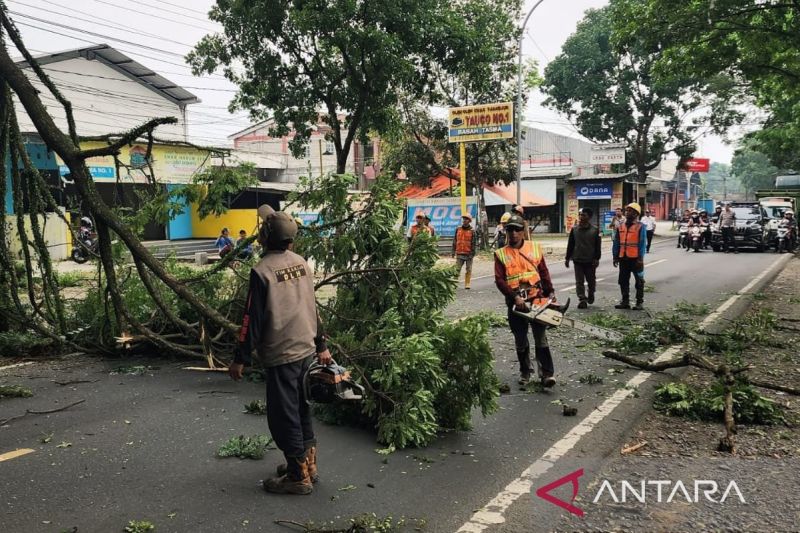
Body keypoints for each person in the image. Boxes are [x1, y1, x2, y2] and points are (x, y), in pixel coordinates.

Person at [230, 210, 332, 495]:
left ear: (265, 237)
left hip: (282, 353)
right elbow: (313, 307)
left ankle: (297, 477)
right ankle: (307, 465)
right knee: (301, 408)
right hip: (306, 349)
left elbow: (251, 319)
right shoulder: (301, 263)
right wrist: (321, 345)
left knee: (283, 415)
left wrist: (240, 358)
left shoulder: (261, 271)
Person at [494, 214, 557, 388]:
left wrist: (550, 292)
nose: (514, 233)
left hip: (537, 299)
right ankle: (525, 371)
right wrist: (514, 297)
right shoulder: (501, 254)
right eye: (510, 230)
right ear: (506, 232)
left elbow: (543, 272)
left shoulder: (534, 248)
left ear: (523, 231)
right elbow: (500, 280)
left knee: (540, 337)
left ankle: (546, 374)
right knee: (520, 339)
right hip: (516, 303)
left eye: (517, 230)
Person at [612, 202, 647, 310]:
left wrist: (640, 259)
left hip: (636, 259)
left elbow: (642, 243)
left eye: (630, 211)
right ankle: (625, 301)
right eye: (627, 210)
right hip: (623, 258)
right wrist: (615, 256)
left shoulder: (640, 227)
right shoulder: (620, 226)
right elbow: (616, 242)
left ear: (636, 214)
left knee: (639, 281)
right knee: (623, 281)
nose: (627, 212)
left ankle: (639, 302)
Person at [565, 208, 601, 309]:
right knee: (579, 281)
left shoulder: (595, 230)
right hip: (578, 259)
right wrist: (567, 258)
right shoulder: (574, 230)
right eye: (580, 215)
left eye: (584, 215)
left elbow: (598, 246)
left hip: (590, 260)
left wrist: (597, 258)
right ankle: (582, 299)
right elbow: (570, 245)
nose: (581, 217)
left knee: (591, 280)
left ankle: (591, 292)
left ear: (589, 217)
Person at [452, 213, 478, 289]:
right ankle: (454, 283)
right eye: (464, 219)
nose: (464, 220)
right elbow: (455, 241)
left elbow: (474, 243)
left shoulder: (472, 231)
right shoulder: (458, 229)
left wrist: (472, 254)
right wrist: (453, 251)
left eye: (466, 219)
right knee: (457, 269)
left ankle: (467, 283)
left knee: (468, 269)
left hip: (468, 254)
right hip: (459, 253)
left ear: (469, 221)